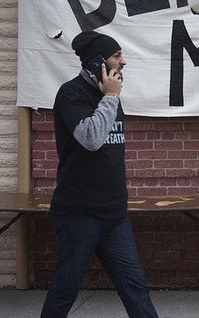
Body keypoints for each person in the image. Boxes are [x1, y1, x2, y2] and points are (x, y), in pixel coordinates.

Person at [41, 31, 158, 318]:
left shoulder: (110, 97)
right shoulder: (72, 94)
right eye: (117, 56)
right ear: (97, 63)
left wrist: (110, 98)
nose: (124, 62)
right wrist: (110, 98)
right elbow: (91, 138)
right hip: (79, 213)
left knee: (135, 288)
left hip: (114, 214)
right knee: (65, 289)